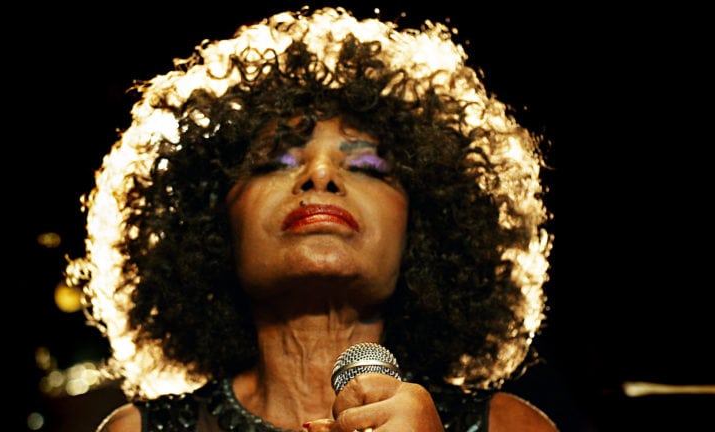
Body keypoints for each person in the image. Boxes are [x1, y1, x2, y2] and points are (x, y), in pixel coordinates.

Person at [65, 5, 557, 432]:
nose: (320, 175)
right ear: (212, 228)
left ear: (424, 233)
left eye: (368, 168)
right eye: (274, 163)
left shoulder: (507, 425)